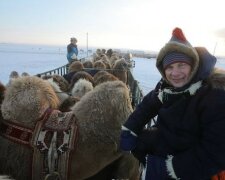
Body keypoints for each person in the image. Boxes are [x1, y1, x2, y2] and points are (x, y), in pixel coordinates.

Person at [120, 27, 225, 179]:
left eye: (181, 65)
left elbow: (216, 150)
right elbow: (148, 104)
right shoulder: (167, 86)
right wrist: (130, 129)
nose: (175, 73)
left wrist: (170, 169)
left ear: (193, 65)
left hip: (190, 167)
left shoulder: (214, 96)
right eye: (169, 67)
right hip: (167, 146)